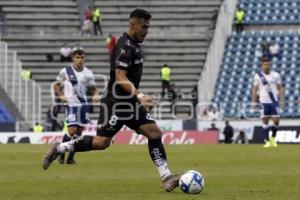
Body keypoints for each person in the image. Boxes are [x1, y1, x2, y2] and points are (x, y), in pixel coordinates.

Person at [43, 9, 180, 192]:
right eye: (144, 27)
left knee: (154, 133)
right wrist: (140, 95)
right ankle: (59, 148)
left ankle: (166, 177)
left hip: (130, 103)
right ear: (132, 24)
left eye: (148, 27)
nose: (146, 31)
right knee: (101, 143)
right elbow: (120, 77)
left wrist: (138, 98)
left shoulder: (135, 45)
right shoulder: (124, 46)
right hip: (116, 104)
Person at [52, 47, 100, 164]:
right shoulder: (66, 71)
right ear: (73, 58)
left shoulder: (88, 73)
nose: (79, 60)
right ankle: (61, 153)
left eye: (82, 57)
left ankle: (70, 158)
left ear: (85, 58)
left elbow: (93, 88)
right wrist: (62, 96)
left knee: (79, 134)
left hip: (83, 105)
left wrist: (96, 94)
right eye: (77, 57)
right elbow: (56, 85)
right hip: (71, 105)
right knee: (72, 130)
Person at [252, 56, 284, 148]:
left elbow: (280, 88)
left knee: (276, 121)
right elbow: (254, 89)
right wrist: (254, 102)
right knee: (265, 121)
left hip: (274, 101)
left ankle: (273, 139)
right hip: (263, 101)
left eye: (268, 64)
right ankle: (267, 141)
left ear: (270, 65)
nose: (266, 66)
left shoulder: (276, 75)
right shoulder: (258, 76)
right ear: (262, 65)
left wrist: (282, 100)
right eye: (265, 64)